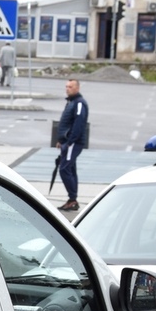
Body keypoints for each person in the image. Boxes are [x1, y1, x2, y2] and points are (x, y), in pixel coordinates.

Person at [55, 78, 90, 212]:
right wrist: (61, 140)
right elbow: (67, 123)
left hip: (73, 143)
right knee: (70, 169)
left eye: (70, 87)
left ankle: (73, 199)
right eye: (66, 86)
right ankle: (72, 199)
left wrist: (69, 142)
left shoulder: (79, 103)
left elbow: (78, 125)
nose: (67, 89)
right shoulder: (71, 102)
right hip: (68, 142)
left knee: (65, 169)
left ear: (77, 88)